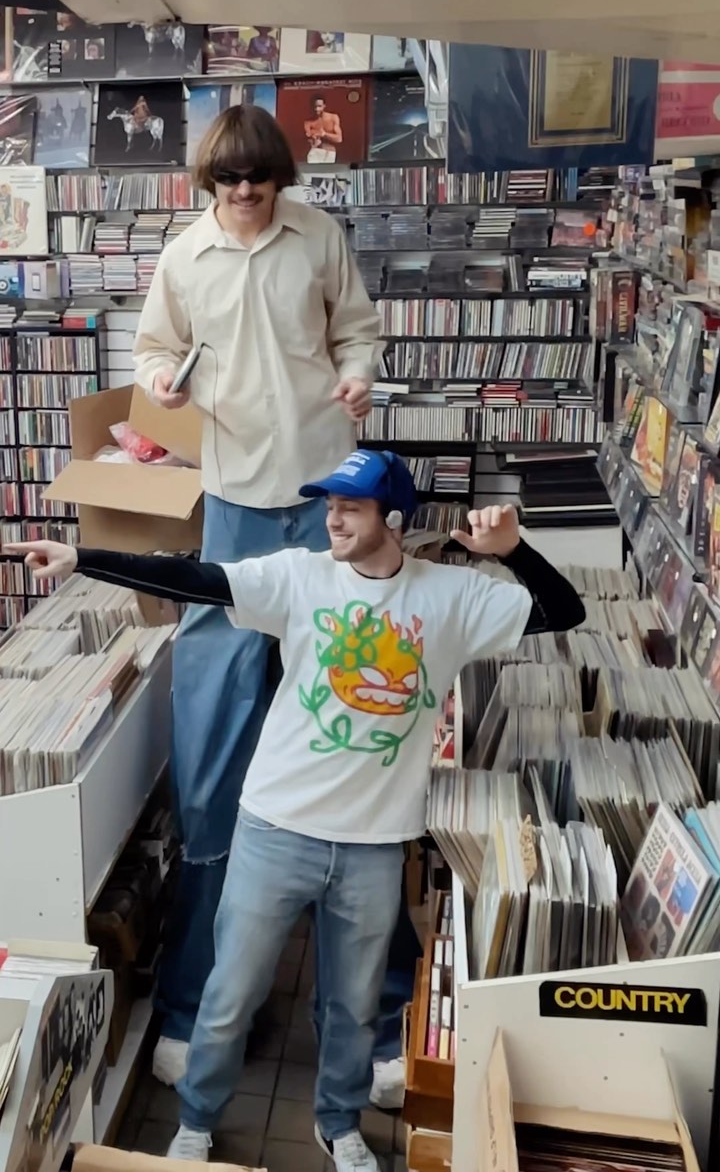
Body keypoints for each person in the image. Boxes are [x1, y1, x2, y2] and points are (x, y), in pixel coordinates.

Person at [8, 450, 586, 1172]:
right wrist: (82, 558)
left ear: (394, 518)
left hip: (375, 846)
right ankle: (196, 1123)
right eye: (329, 505)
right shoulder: (299, 577)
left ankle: (338, 1125)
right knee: (229, 996)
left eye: (350, 507)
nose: (332, 519)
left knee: (354, 1007)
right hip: (274, 831)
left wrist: (514, 550)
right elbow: (197, 579)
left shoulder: (452, 597)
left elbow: (564, 611)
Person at [132, 104, 382, 1088]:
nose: (245, 195)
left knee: (347, 722)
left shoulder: (318, 237)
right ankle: (195, 1004)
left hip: (325, 493)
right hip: (236, 500)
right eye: (229, 182)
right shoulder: (184, 256)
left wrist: (358, 376)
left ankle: (373, 1015)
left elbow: (355, 329)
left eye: (260, 180)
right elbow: (153, 351)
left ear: (282, 178)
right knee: (216, 737)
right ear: (209, 184)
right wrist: (164, 378)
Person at [304, 95, 343, 163]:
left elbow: (339, 139)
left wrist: (324, 134)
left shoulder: (333, 118)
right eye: (315, 106)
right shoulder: (308, 122)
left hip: (330, 152)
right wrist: (313, 140)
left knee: (327, 170)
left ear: (324, 106)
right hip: (315, 152)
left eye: (319, 106)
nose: (317, 109)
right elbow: (308, 139)